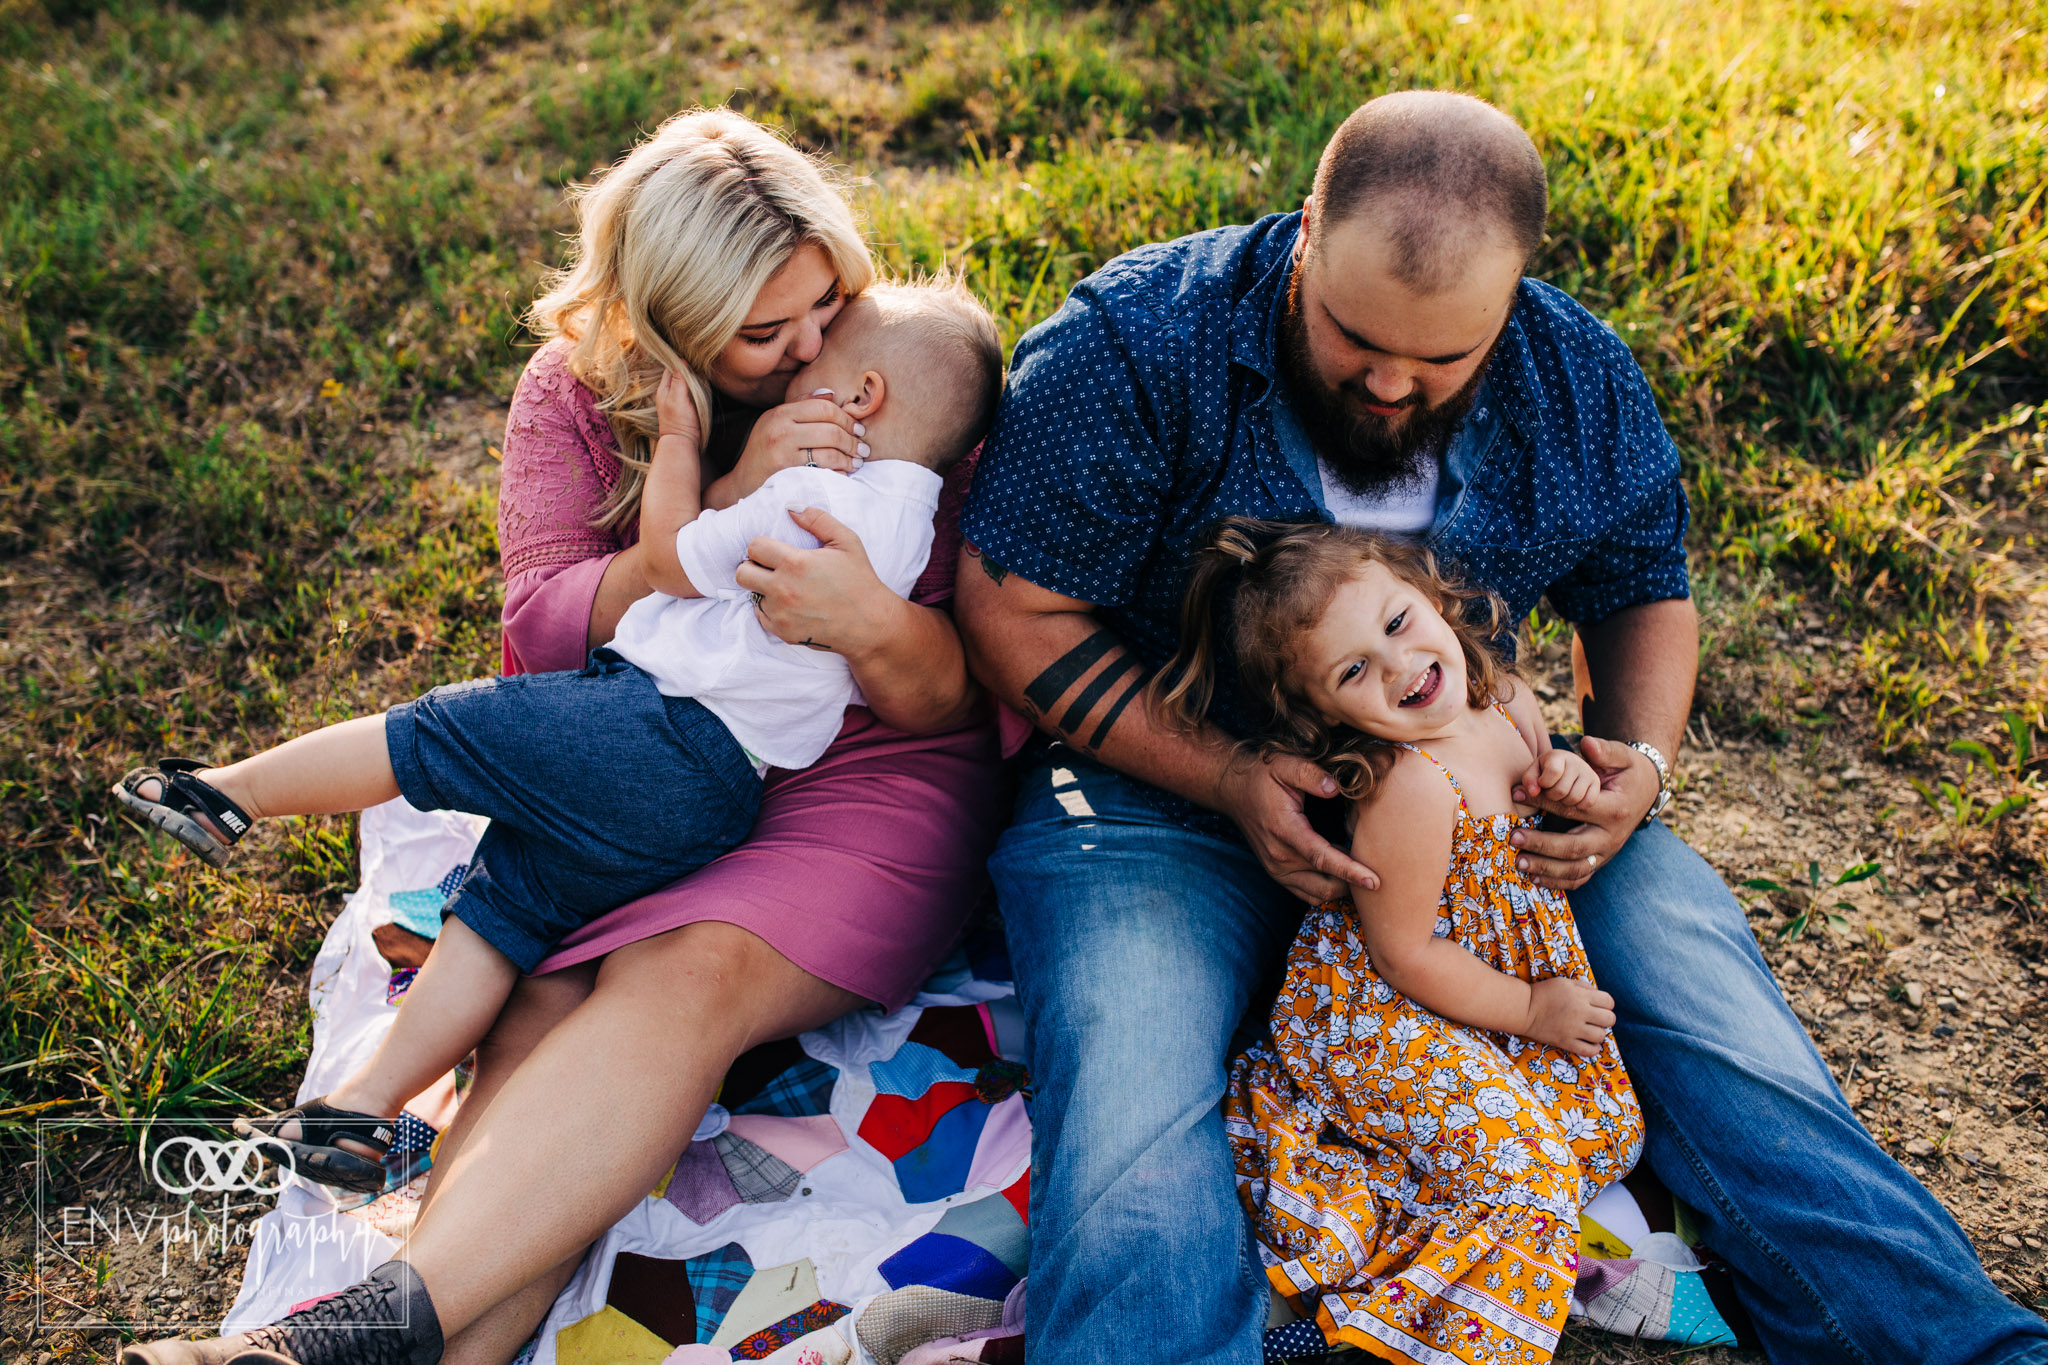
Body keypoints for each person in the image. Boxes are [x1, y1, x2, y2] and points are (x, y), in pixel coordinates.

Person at [954, 91, 2048, 1365]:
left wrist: (1631, 770)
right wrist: (1229, 771)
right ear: (1305, 231)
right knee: (1132, 1106)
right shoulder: (1137, 341)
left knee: (1728, 1042)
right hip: (1161, 789)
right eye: (1352, 336)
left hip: (1489, 815)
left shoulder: (1578, 378)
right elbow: (1013, 612)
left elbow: (1641, 587)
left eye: (1440, 360)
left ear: (1515, 296)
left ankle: (1961, 1351)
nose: (1385, 382)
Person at [121, 108, 1010, 1365]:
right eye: (763, 333)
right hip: (646, 736)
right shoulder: (581, 393)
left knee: (679, 978)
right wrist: (723, 485)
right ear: (663, 321)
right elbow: (541, 637)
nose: (809, 346)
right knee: (532, 984)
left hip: (863, 775)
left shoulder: (899, 370)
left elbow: (965, 696)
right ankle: (417, 1342)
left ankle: (341, 1339)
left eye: (826, 302)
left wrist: (870, 621)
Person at [1156, 518, 1641, 1364]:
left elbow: (1541, 789)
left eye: (1396, 623)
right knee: (1524, 1174)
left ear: (1429, 593)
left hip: (1475, 991)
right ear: (1320, 712)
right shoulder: (1412, 788)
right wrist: (1531, 1007)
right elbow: (1404, 955)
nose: (1398, 666)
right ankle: (1356, 1332)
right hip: (1385, 1016)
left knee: (1604, 1128)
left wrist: (1563, 776)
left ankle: (1426, 1246)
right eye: (1354, 671)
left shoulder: (1503, 699)